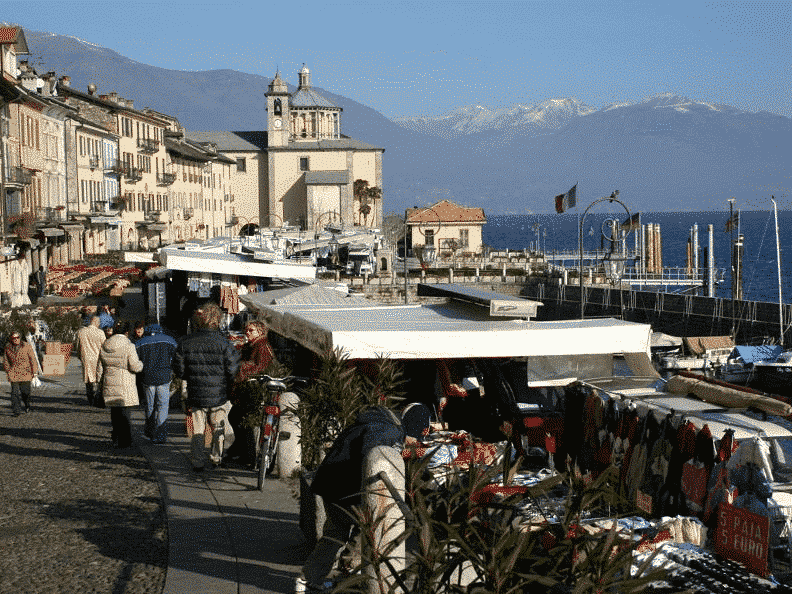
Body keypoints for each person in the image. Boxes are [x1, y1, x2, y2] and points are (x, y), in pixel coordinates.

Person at [299, 403, 431, 592]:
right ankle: (348, 569)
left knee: (336, 534)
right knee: (370, 526)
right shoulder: (388, 431)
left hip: (334, 485)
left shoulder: (384, 422)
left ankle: (311, 577)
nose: (415, 443)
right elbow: (373, 458)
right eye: (417, 438)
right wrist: (412, 455)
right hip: (345, 489)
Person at [173, 303, 239, 472]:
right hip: (219, 394)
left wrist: (192, 375)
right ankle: (217, 457)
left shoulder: (185, 342)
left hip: (196, 392)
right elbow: (232, 370)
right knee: (218, 426)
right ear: (218, 320)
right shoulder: (225, 344)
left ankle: (197, 461)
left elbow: (179, 371)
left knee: (198, 429)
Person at [227, 321, 276, 464]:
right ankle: (241, 451)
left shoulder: (262, 346)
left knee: (242, 420)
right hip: (246, 388)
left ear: (260, 332)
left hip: (253, 389)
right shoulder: (255, 345)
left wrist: (243, 370)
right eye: (246, 330)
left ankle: (247, 455)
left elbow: (261, 367)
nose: (247, 332)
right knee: (237, 418)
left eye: (251, 330)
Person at [97, 321, 143, 449]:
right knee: (125, 414)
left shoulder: (106, 344)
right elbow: (134, 366)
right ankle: (125, 440)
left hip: (109, 382)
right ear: (127, 332)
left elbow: (99, 367)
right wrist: (141, 365)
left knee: (115, 413)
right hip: (125, 383)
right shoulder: (129, 346)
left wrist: (99, 382)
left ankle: (115, 436)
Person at [136, 323, 177, 444]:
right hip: (164, 377)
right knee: (163, 406)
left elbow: (135, 360)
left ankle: (150, 432)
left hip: (147, 378)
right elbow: (176, 357)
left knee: (149, 406)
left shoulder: (140, 343)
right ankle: (161, 435)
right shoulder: (169, 340)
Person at [3, 331, 41, 416]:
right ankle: (16, 410)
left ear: (20, 338)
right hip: (14, 373)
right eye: (14, 338)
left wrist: (35, 372)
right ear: (11, 339)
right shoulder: (8, 347)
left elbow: (33, 359)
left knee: (25, 392)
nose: (16, 340)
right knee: (15, 393)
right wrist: (8, 370)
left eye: (17, 338)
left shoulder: (27, 346)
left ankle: (27, 404)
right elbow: (5, 360)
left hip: (25, 373)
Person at [76, 316, 106, 406]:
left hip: (86, 359)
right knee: (99, 379)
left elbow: (77, 346)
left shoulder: (81, 332)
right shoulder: (100, 333)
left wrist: (80, 356)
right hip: (98, 359)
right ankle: (98, 398)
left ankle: (90, 399)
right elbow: (104, 347)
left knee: (88, 380)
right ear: (97, 323)